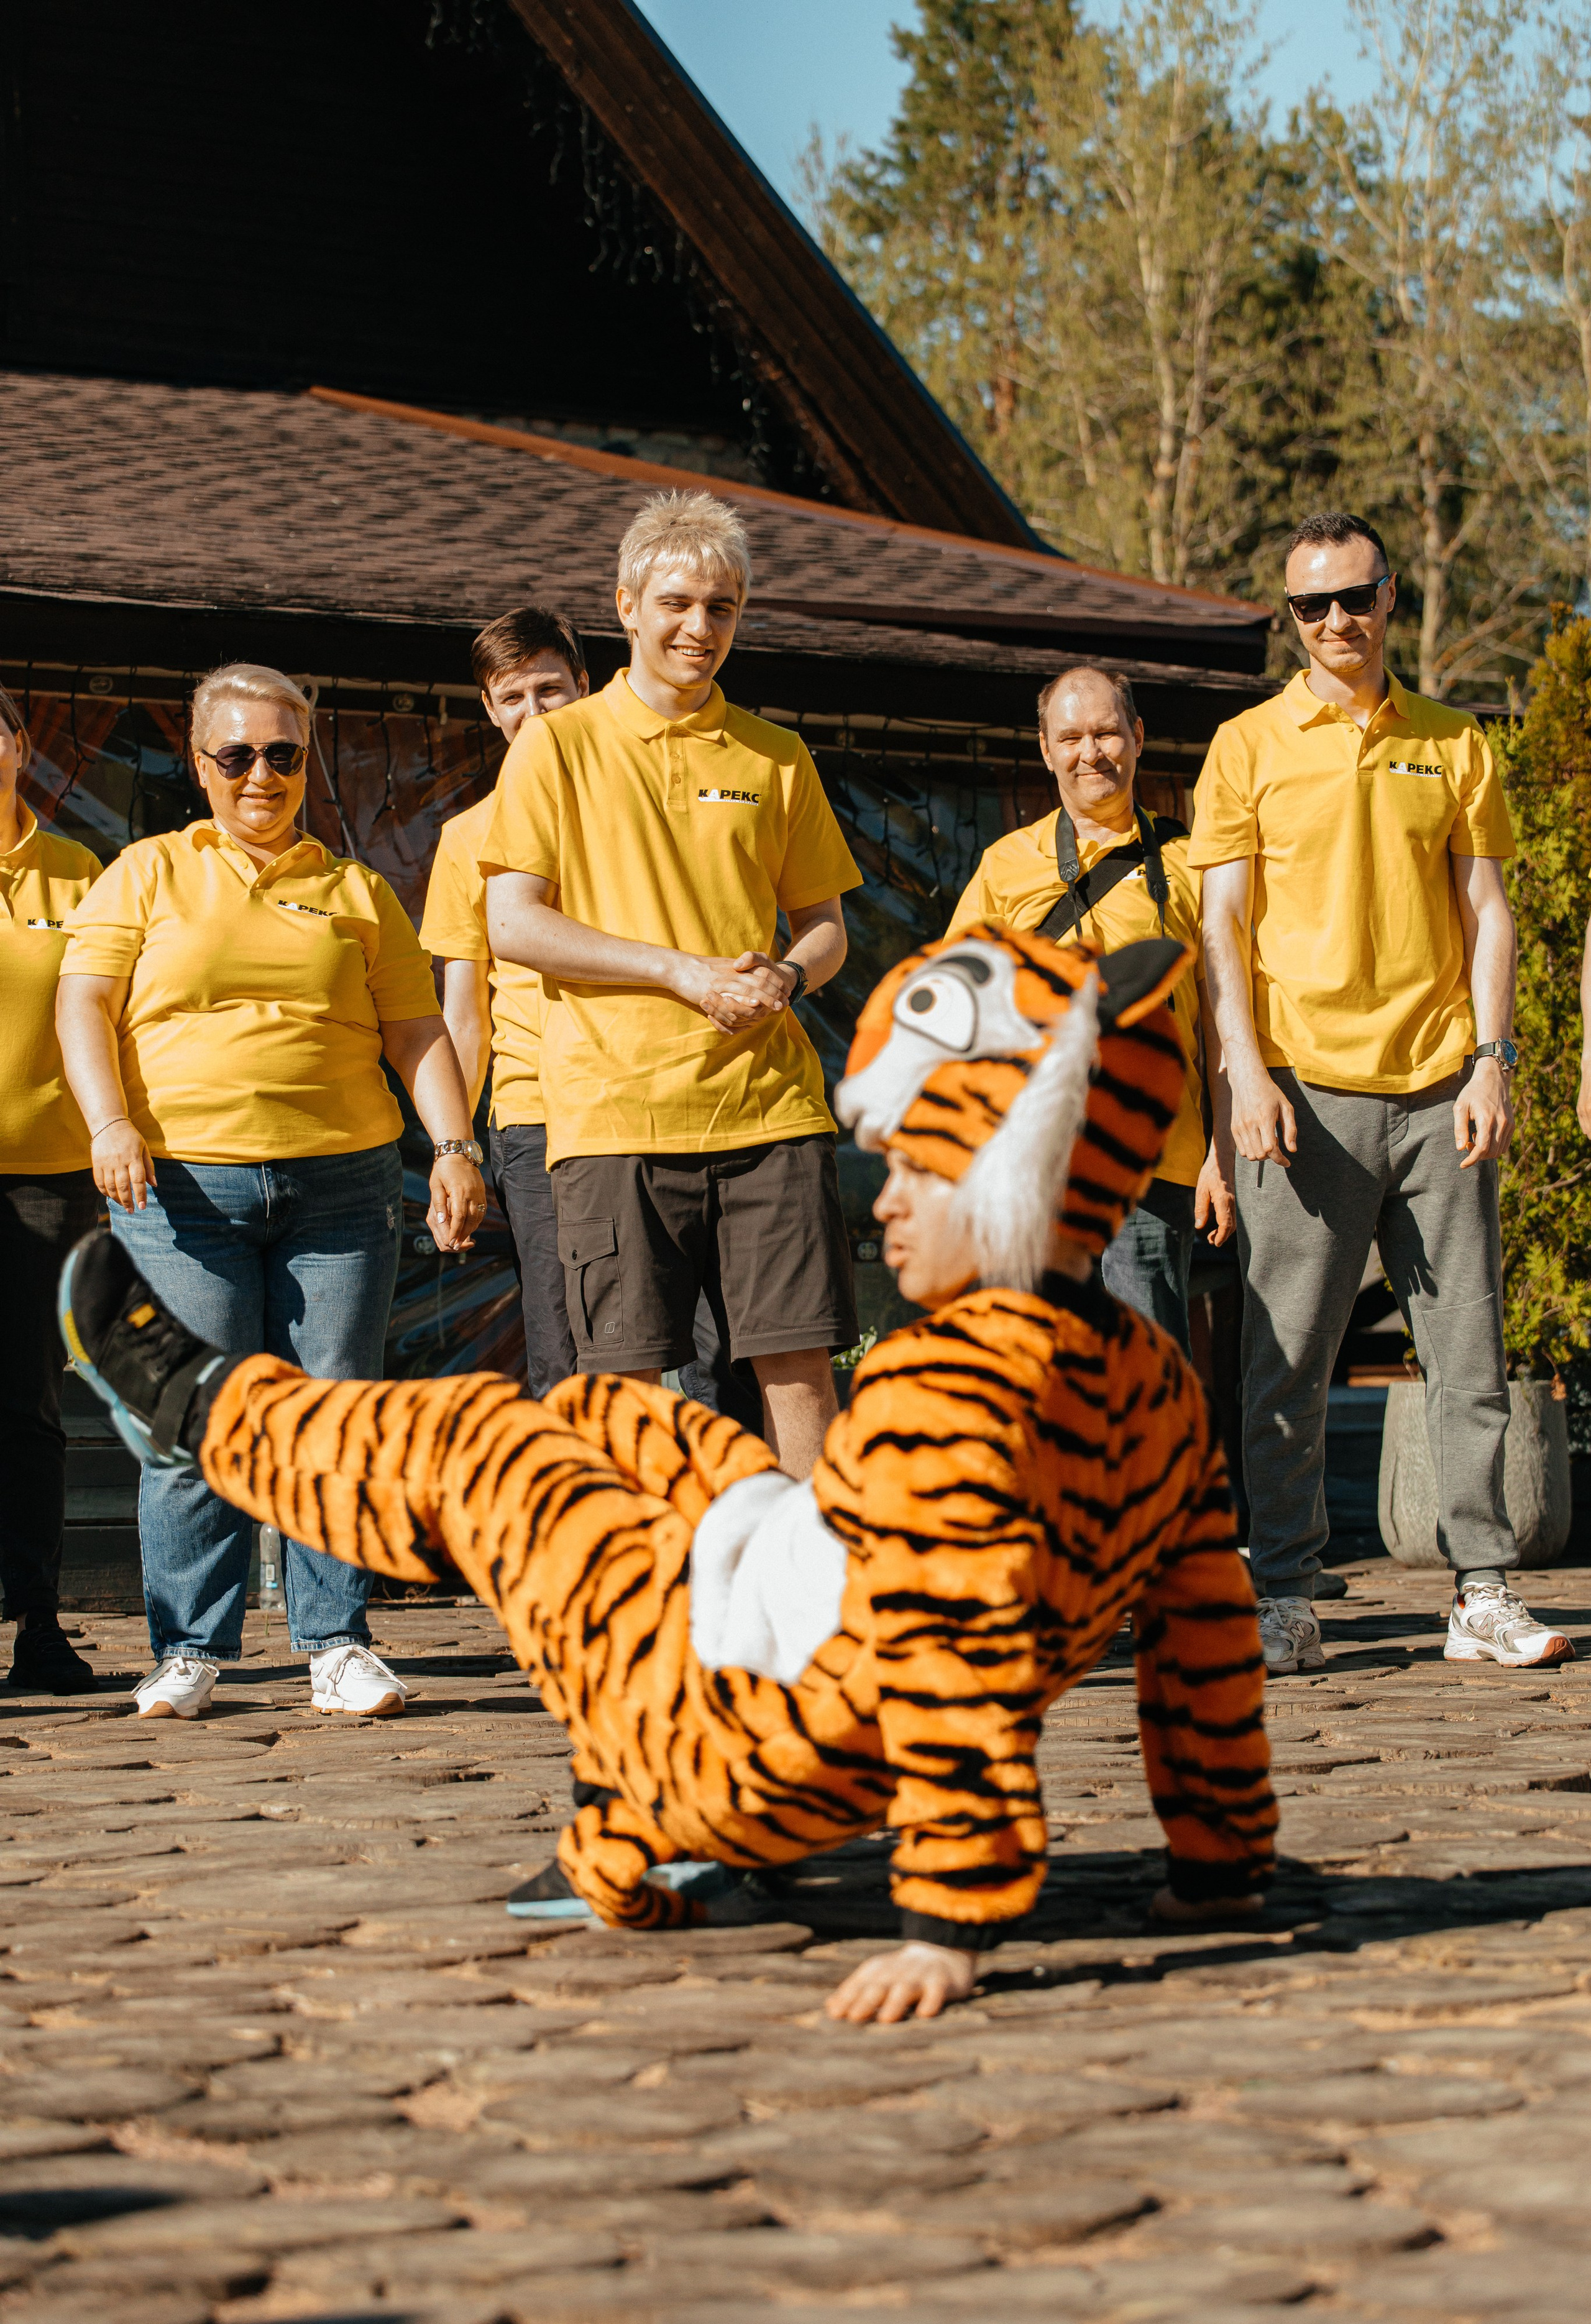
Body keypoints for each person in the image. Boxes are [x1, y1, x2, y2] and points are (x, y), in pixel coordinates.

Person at [59, 920, 1277, 2024]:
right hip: (796, 1636)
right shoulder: (1151, 1377)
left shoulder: (951, 1393)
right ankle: (596, 1778)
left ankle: (212, 1413)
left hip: (745, 1743)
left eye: (919, 1169)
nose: (886, 1206)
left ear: (1013, 1173)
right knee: (618, 1416)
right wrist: (1218, 1864)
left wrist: (948, 1929)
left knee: (492, 1454)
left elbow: (952, 1658)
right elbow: (1205, 1630)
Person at [55, 662, 488, 1724]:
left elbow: (416, 1031)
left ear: (307, 761)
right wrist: (109, 1124)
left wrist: (454, 1146)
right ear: (200, 763)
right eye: (239, 754)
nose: (263, 775)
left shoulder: (357, 891)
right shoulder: (145, 873)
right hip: (181, 1188)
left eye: (284, 755)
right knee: (193, 1418)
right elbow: (84, 1005)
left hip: (341, 1188)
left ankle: (336, 1643)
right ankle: (189, 1651)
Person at [1193, 511, 1567, 1676]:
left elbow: (1488, 912)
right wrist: (1245, 1074)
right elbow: (1221, 928)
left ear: (1390, 596)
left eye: (1356, 596)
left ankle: (1481, 1592)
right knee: (1285, 1365)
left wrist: (1494, 1060)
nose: (1337, 621)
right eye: (1313, 605)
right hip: (1302, 1095)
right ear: (1292, 616)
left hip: (1442, 1088)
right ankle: (1287, 1597)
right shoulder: (1246, 745)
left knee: (1468, 1356)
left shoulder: (1455, 741)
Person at [479, 490, 863, 1481]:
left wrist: (787, 974)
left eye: (722, 607)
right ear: (626, 605)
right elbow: (512, 923)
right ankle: (645, 1580)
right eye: (678, 603)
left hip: (770, 1113)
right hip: (614, 1117)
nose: (700, 626)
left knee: (798, 1369)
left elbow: (827, 928)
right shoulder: (557, 745)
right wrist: (678, 972)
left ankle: (813, 1577)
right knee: (626, 1390)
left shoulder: (777, 755)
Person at [948, 666, 1226, 1353]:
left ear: (1138, 737)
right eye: (1070, 738)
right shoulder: (1005, 865)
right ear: (1046, 750)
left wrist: (1222, 1150)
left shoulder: (1192, 864)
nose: (1090, 753)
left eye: (1106, 733)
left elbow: (1222, 1022)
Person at [421, 606, 589, 1397]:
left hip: (653, 1097)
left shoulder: (637, 810)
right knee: (563, 1351)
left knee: (700, 1351)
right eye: (513, 697)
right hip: (536, 1115)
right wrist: (453, 1149)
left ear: (584, 687)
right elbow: (465, 1015)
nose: (534, 712)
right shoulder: (467, 836)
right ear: (489, 710)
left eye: (549, 690)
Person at [0, 682, 102, 1697]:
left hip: (46, 1179)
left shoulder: (79, 873)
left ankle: (38, 1625)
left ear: (21, 746)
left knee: (28, 1407)